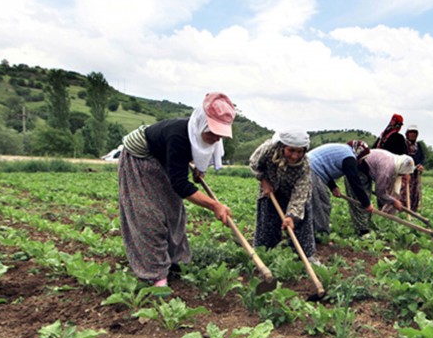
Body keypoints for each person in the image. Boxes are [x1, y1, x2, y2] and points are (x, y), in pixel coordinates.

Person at [118, 92, 235, 287]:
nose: (215, 138)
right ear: (201, 124)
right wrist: (214, 205)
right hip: (139, 158)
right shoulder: (179, 135)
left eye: (219, 134)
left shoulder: (208, 137)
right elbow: (180, 184)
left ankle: (177, 262)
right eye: (212, 133)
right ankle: (155, 274)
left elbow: (197, 153)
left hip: (162, 158)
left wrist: (199, 168)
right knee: (148, 215)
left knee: (174, 211)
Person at [249, 128, 319, 265]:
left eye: (299, 152)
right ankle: (263, 252)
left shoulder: (304, 166)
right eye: (291, 150)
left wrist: (291, 216)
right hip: (270, 185)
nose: (294, 156)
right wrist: (264, 181)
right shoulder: (268, 149)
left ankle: (305, 255)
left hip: (293, 190)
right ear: (282, 147)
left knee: (301, 220)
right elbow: (254, 163)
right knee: (267, 218)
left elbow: (300, 194)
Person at [307, 141, 374, 234]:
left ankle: (308, 230)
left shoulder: (343, 151)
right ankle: (322, 234)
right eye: (362, 158)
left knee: (309, 203)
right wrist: (366, 203)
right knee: (322, 204)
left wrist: (333, 187)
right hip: (310, 170)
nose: (360, 161)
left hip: (310, 167)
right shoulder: (349, 158)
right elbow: (355, 182)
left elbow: (325, 165)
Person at [347, 147, 415, 235]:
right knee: (361, 200)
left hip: (366, 170)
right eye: (403, 173)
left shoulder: (396, 161)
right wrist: (393, 201)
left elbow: (387, 188)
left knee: (366, 198)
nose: (403, 175)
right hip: (357, 169)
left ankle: (366, 226)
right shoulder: (387, 169)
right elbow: (380, 192)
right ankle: (361, 230)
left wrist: (393, 199)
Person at [403, 125, 425, 213]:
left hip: (415, 173)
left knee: (415, 194)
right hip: (405, 173)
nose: (412, 135)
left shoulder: (418, 145)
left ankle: (413, 211)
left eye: (414, 133)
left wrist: (421, 165)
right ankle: (404, 211)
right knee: (405, 193)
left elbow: (422, 158)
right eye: (411, 133)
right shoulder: (404, 145)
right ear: (407, 134)